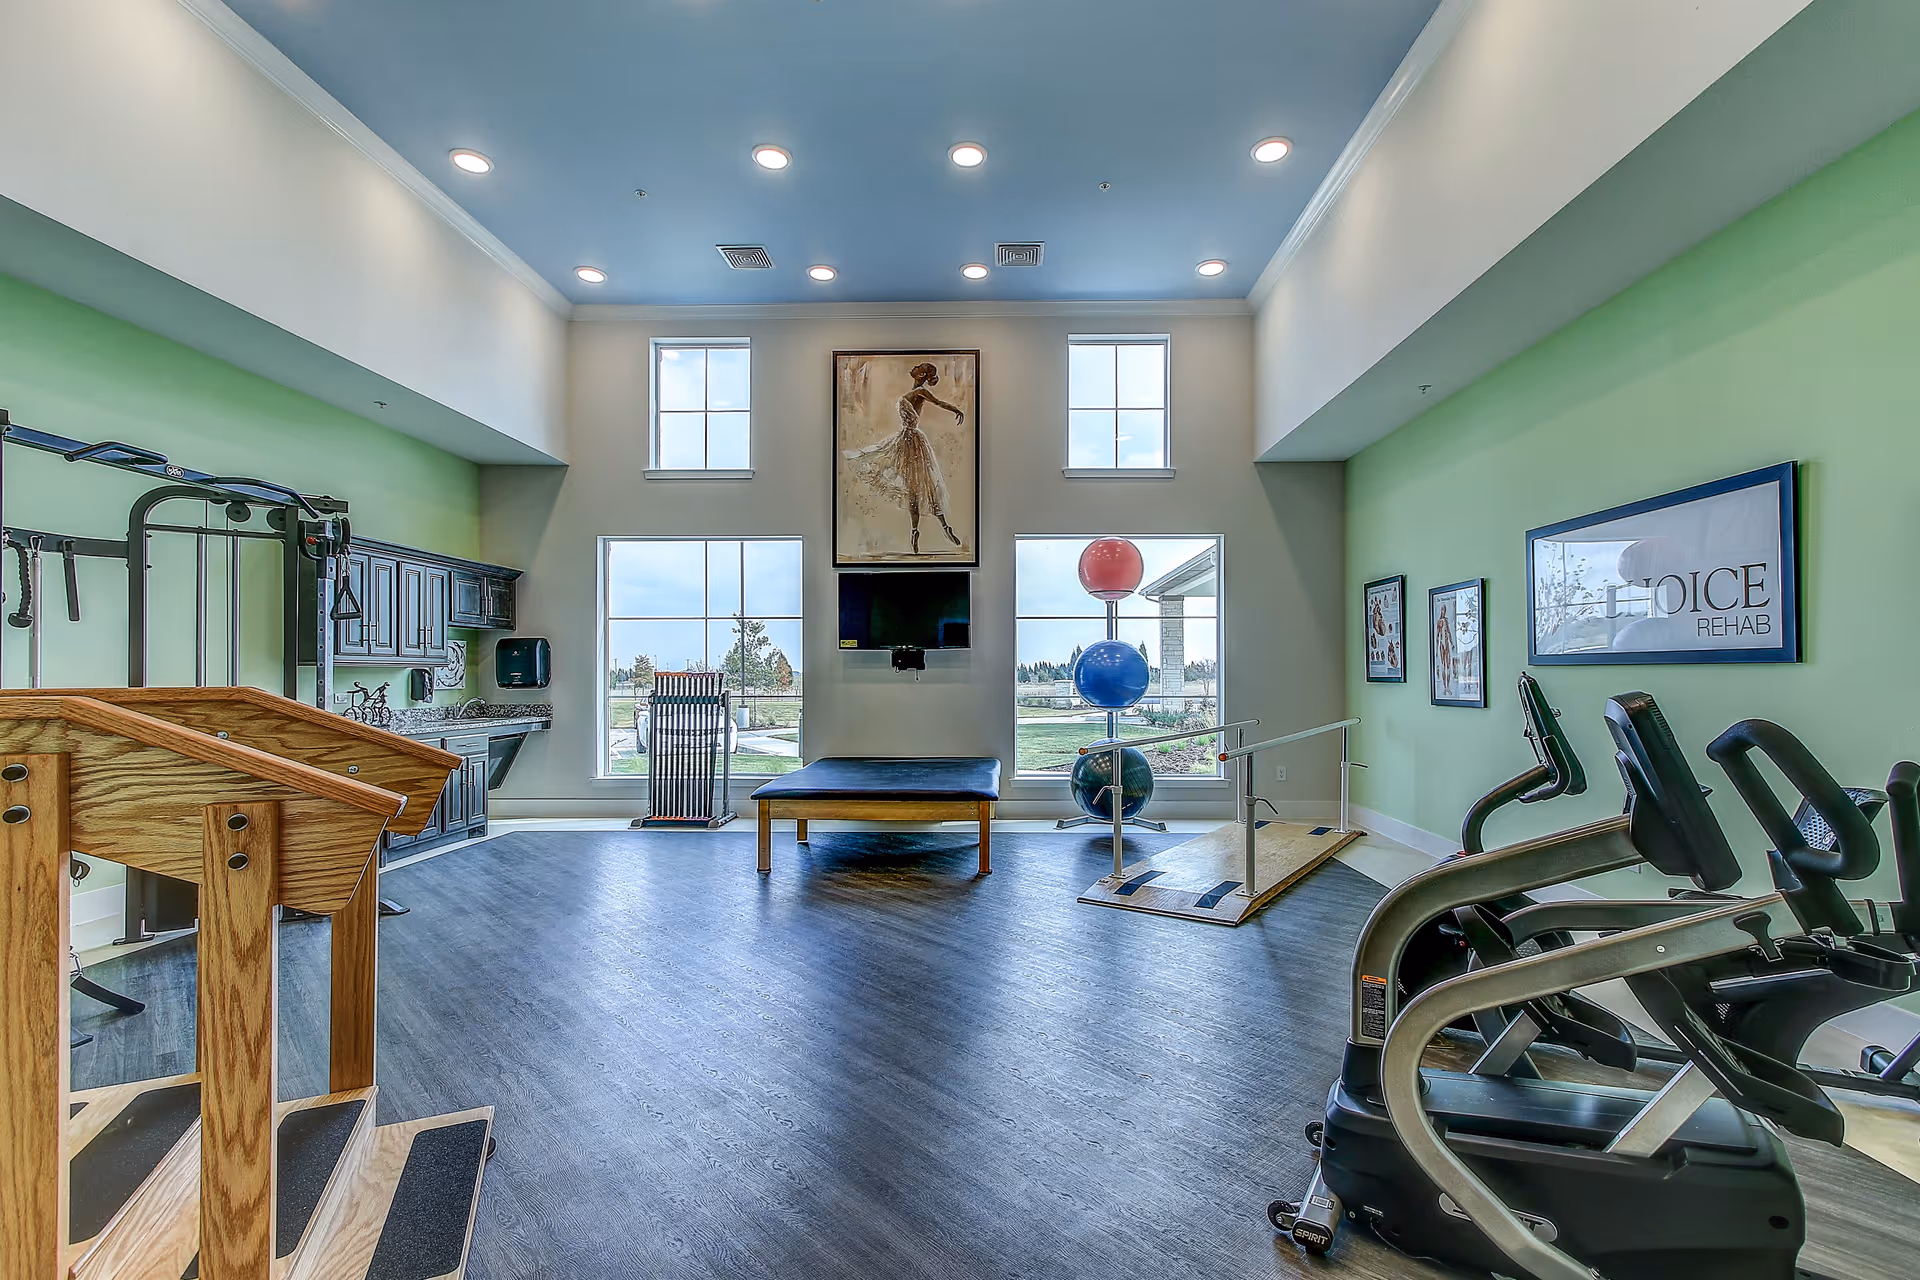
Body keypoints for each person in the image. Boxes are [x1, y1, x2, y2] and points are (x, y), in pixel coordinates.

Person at [843, 362, 964, 554]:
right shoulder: (914, 392)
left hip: (914, 441)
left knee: (926, 484)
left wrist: (956, 410)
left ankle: (944, 527)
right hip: (904, 440)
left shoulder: (921, 392)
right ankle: (915, 531)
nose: (914, 368)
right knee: (912, 489)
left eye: (919, 368)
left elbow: (939, 403)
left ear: (921, 374)